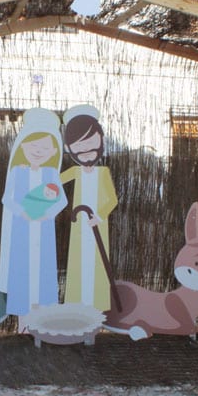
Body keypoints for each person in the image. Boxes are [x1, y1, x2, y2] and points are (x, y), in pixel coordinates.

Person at [0, 108, 67, 325]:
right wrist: (23, 213)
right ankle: (24, 324)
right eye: (34, 146)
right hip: (22, 230)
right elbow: (7, 199)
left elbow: (62, 200)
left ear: (53, 151)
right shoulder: (18, 172)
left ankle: (41, 323)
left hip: (44, 231)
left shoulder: (51, 174)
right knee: (22, 275)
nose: (39, 151)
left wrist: (47, 214)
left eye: (45, 147)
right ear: (23, 146)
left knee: (42, 274)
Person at [60, 104, 118, 312]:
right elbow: (55, 182)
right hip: (79, 226)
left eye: (91, 146)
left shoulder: (103, 173)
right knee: (78, 263)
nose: (86, 154)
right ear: (70, 149)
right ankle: (77, 303)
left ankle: (96, 305)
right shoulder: (75, 171)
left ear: (101, 141)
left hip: (97, 224)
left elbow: (112, 199)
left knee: (97, 263)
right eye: (80, 149)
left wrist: (99, 216)